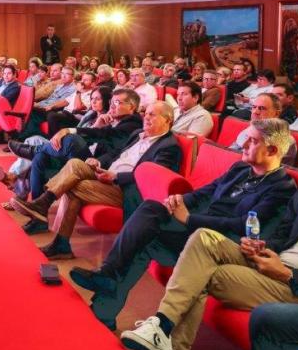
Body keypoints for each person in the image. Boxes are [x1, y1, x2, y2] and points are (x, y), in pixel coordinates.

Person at [120, 121, 298, 350]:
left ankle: (170, 341)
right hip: (272, 263)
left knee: (200, 273)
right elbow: (283, 235)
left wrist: (288, 274)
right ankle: (163, 329)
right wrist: (262, 247)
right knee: (204, 237)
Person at [72, 119, 297, 330]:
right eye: (246, 138)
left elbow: (241, 226)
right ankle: (106, 292)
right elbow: (205, 192)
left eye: (253, 141)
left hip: (217, 245)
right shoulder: (240, 169)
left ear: (272, 150)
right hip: (195, 230)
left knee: (146, 235)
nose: (244, 144)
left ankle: (106, 293)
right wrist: (178, 200)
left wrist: (189, 219)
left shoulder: (282, 188)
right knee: (152, 209)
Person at [13, 101, 183, 258]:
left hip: (126, 190)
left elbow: (152, 178)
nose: (146, 117)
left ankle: (54, 228)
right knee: (75, 163)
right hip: (106, 175)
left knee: (75, 184)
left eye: (153, 115)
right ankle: (50, 216)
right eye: (146, 113)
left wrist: (116, 177)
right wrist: (99, 162)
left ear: (168, 120)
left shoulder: (169, 147)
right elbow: (116, 154)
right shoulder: (138, 133)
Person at [0, 87, 136, 214]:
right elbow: (97, 135)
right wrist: (97, 125)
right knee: (40, 158)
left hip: (95, 165)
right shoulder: (107, 118)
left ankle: (30, 154)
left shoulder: (132, 124)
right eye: (112, 102)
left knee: (71, 139)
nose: (112, 106)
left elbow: (113, 149)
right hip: (82, 156)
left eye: (117, 103)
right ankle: (37, 210)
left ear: (132, 107)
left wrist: (97, 158)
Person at [228, 93, 298, 165]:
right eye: (254, 107)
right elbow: (228, 152)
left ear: (276, 114)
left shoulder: (285, 140)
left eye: (262, 108)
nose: (255, 112)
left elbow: (262, 168)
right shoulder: (249, 129)